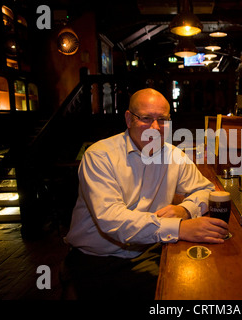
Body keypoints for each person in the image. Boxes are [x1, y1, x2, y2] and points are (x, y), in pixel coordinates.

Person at [62, 88, 229, 300]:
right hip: (94, 260)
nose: (155, 127)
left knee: (203, 286)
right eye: (146, 118)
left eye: (163, 119)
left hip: (147, 252)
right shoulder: (99, 156)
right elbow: (112, 220)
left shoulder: (173, 155)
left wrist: (185, 209)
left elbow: (206, 190)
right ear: (129, 119)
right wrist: (179, 228)